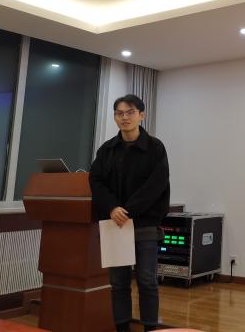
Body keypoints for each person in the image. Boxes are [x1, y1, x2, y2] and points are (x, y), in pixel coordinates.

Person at [89, 94, 170, 332]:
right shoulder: (107, 149)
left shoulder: (155, 147)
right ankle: (122, 328)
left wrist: (129, 210)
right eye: (119, 113)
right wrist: (112, 207)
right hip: (115, 223)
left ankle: (149, 329)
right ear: (115, 117)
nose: (124, 117)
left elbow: (156, 184)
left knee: (147, 281)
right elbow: (96, 180)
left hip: (144, 224)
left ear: (141, 115)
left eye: (130, 112)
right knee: (118, 283)